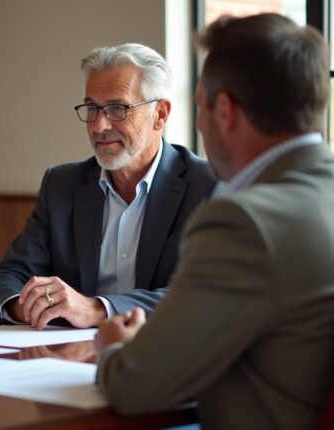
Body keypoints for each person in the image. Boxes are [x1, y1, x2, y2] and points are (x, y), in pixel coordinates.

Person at [95, 13, 334, 429]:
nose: (201, 125)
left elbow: (134, 386)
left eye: (200, 107)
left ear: (224, 111)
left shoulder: (244, 224)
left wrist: (114, 348)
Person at [0, 43, 216, 329]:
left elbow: (204, 294)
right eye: (92, 107)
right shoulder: (62, 186)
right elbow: (5, 277)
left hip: (162, 357)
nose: (99, 125)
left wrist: (98, 309)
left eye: (117, 108)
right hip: (66, 354)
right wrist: (30, 305)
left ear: (161, 114)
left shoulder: (208, 186)